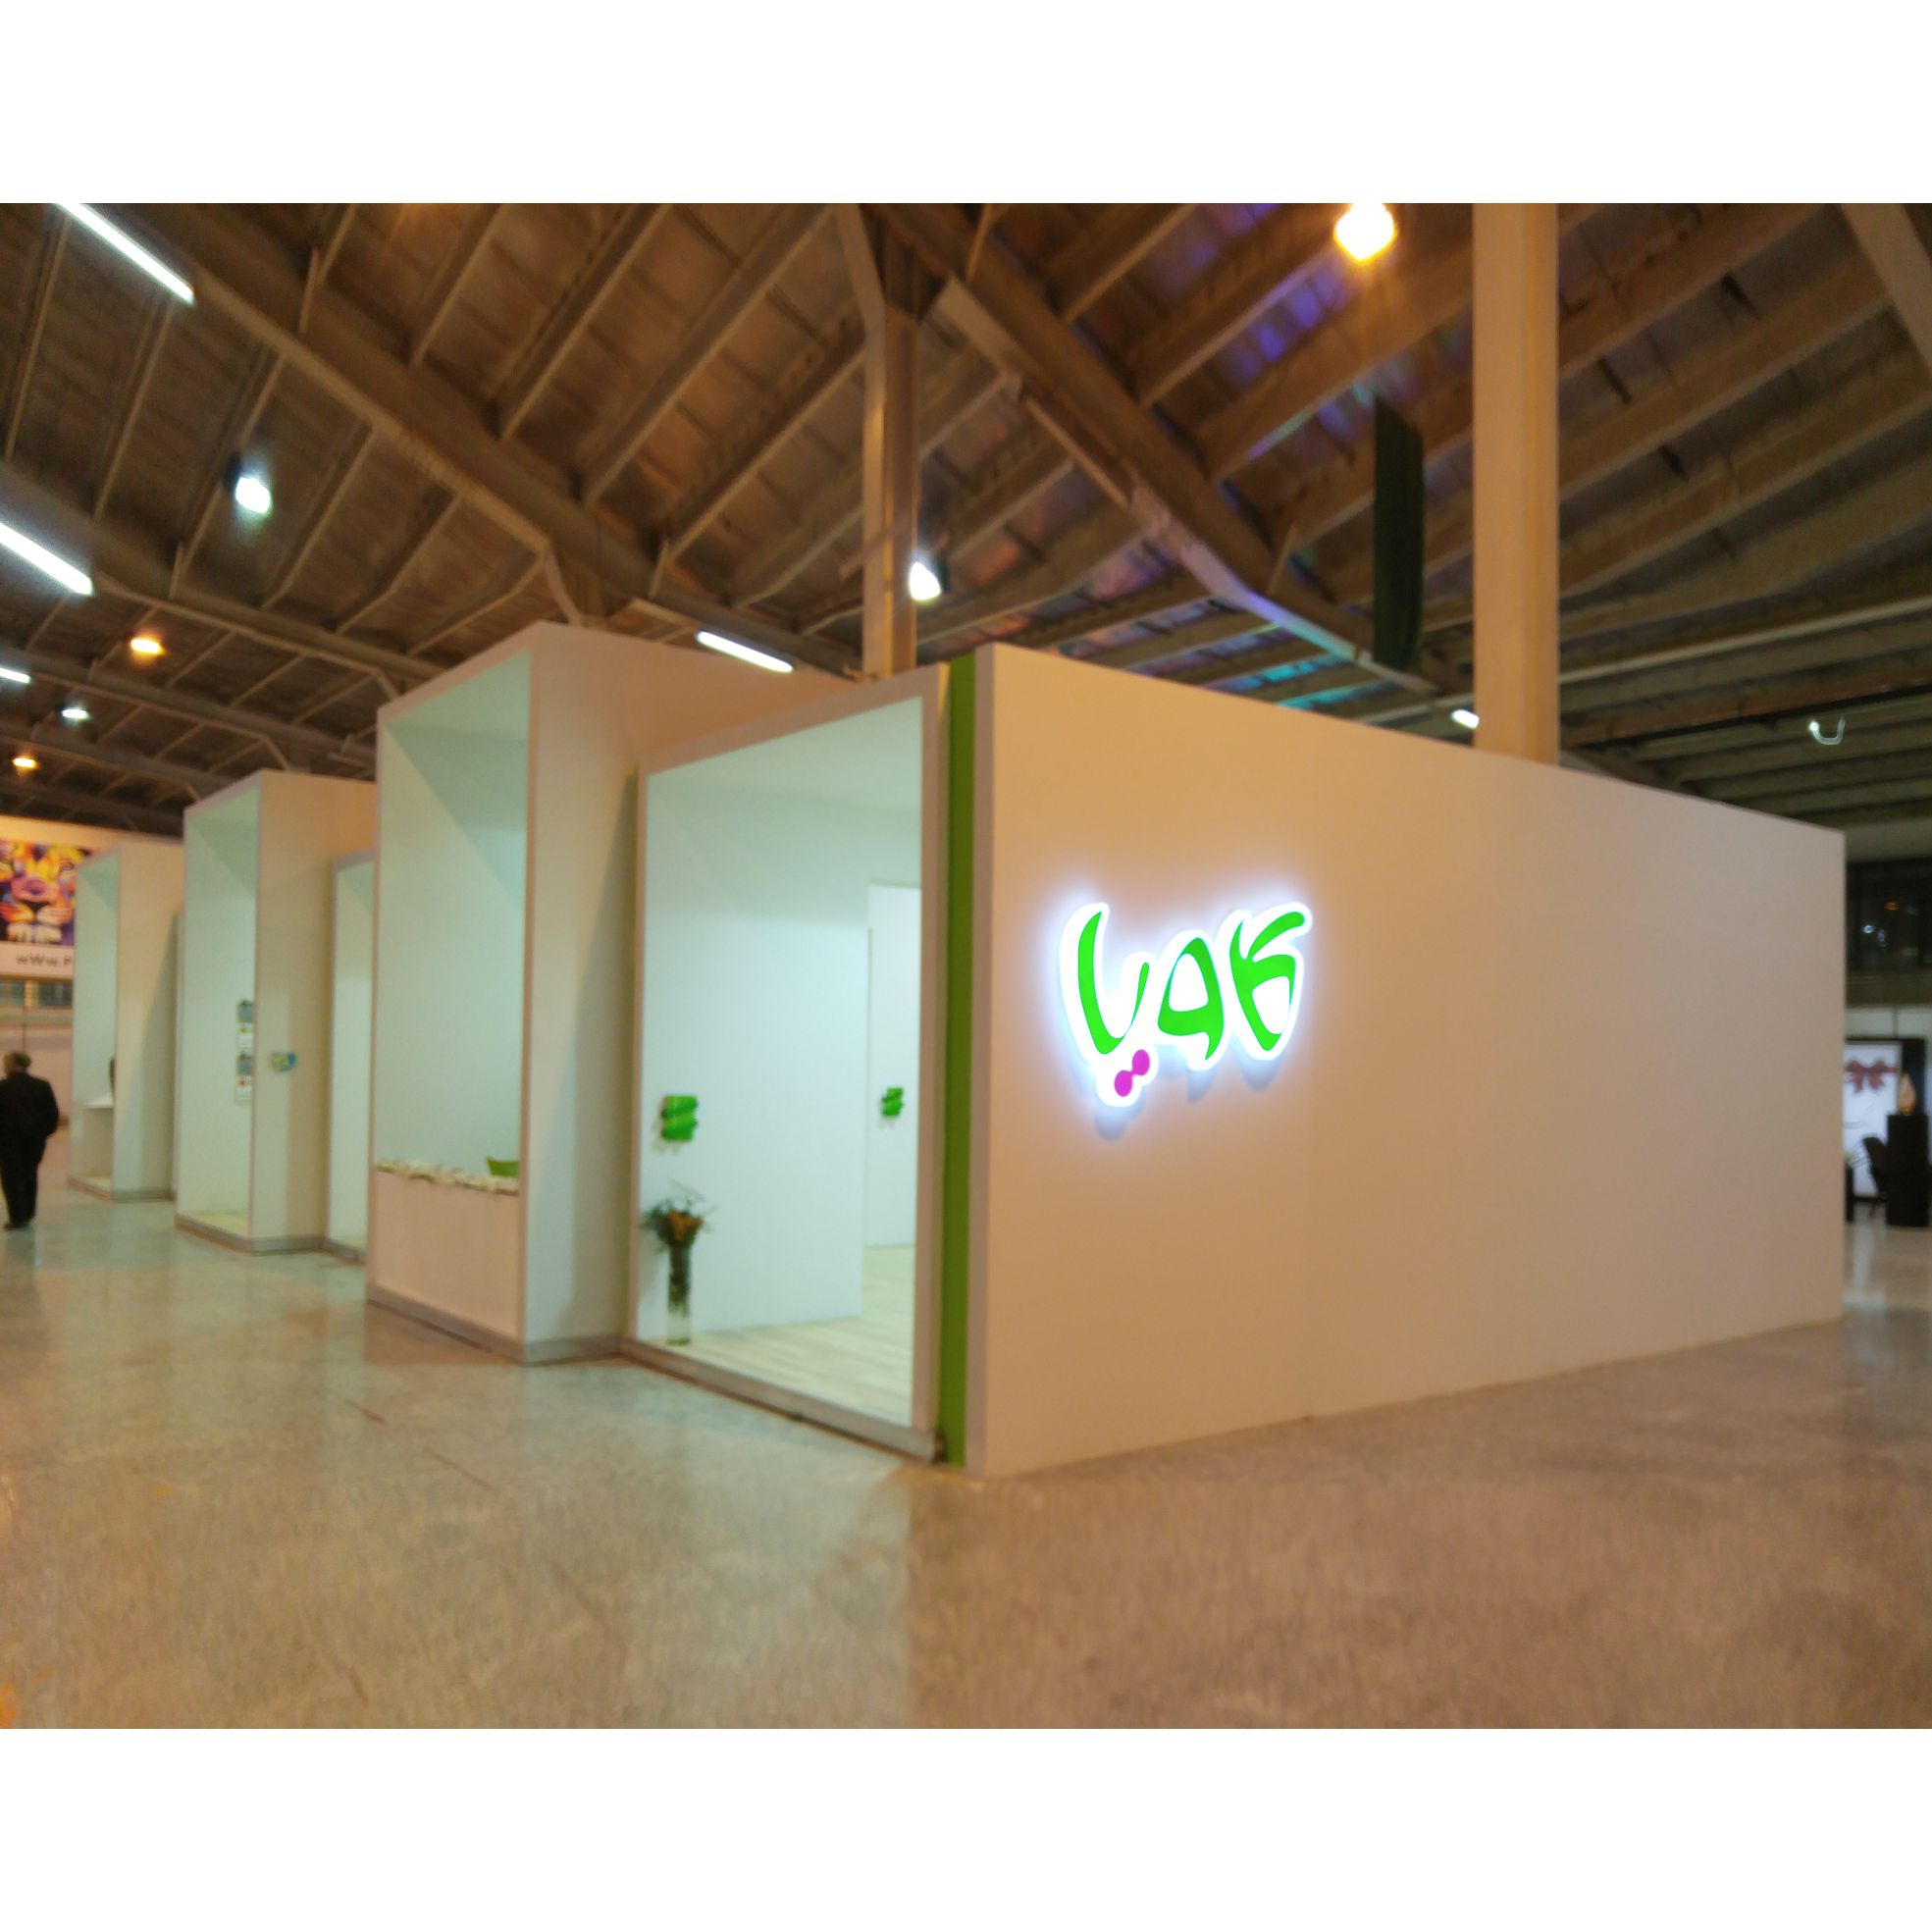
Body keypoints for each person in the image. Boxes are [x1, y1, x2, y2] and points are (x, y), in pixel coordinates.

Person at [0, 1049, 61, 1230]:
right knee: (29, 1174)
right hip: (34, 1141)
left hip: (7, 1141)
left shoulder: (3, 1087)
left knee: (11, 1179)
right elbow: (53, 1114)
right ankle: (28, 1211)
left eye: (5, 1062)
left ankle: (18, 1217)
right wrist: (42, 1134)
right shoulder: (42, 1085)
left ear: (13, 1064)